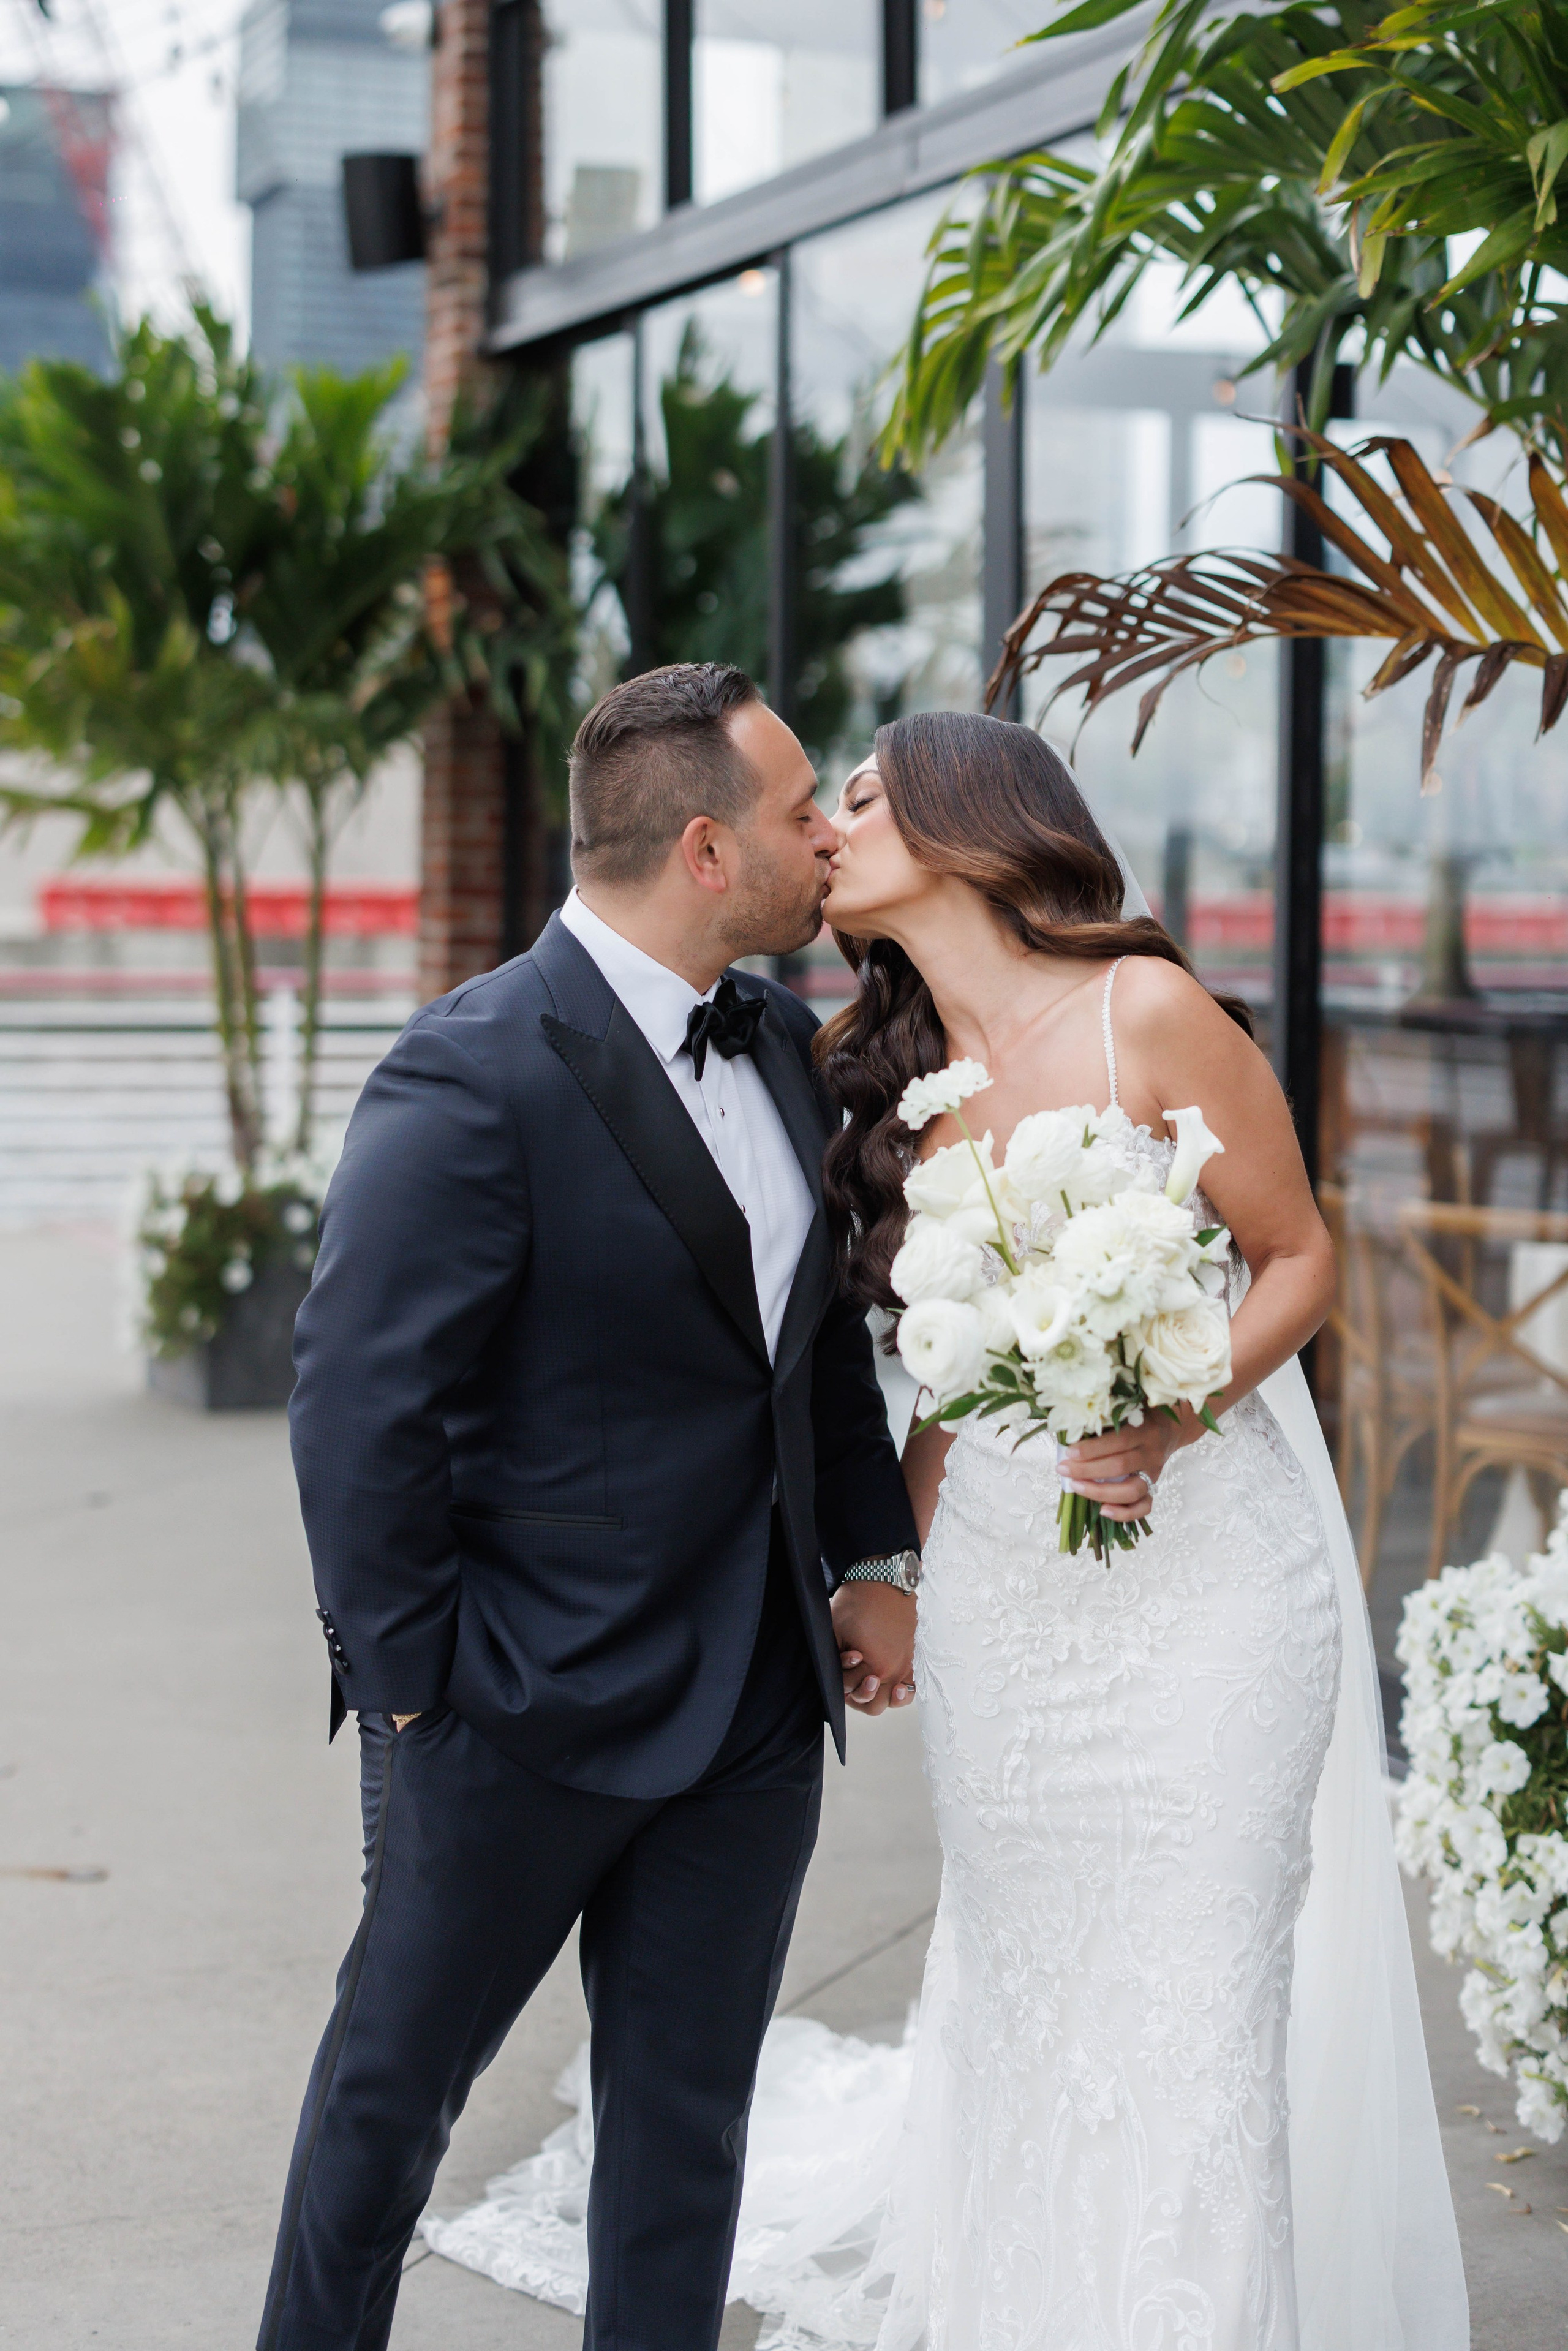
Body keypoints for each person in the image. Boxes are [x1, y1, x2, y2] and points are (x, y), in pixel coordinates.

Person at [424, 709, 1466, 2351]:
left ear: (973, 822)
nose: (829, 827)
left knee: (1196, 2010)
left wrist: (1172, 1412)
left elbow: (1299, 1260)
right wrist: (888, 1575)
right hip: (1004, 1603)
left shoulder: (1150, 1014)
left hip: (1206, 1597)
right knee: (1021, 1996)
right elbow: (944, 1388)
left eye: (857, 795)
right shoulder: (878, 1079)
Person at [255, 661, 921, 2351]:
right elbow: (356, 1405)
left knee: (685, 2149)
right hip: (512, 1715)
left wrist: (869, 1554)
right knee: (384, 2121)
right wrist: (416, 1687)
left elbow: (818, 1344)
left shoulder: (782, 1038)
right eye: (794, 816)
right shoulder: (469, 1072)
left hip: (756, 1714)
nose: (822, 841)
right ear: (707, 851)